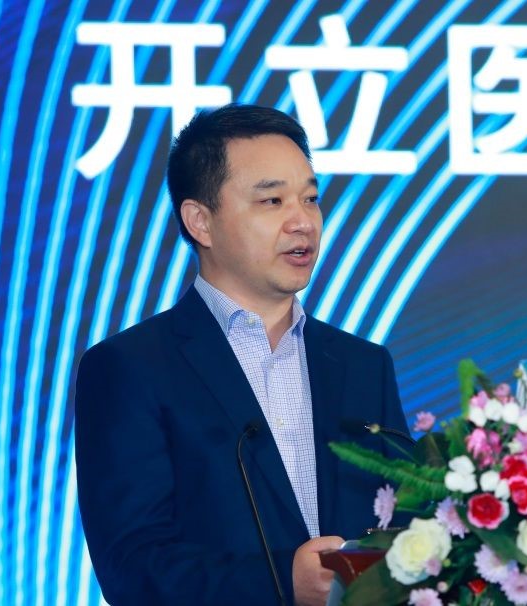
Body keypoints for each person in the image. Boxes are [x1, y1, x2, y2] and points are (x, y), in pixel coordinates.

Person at [74, 104, 408, 605]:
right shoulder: (131, 368)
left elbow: (408, 525)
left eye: (310, 199)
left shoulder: (365, 365)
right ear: (200, 222)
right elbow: (133, 566)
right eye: (272, 200)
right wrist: (283, 583)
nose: (303, 222)